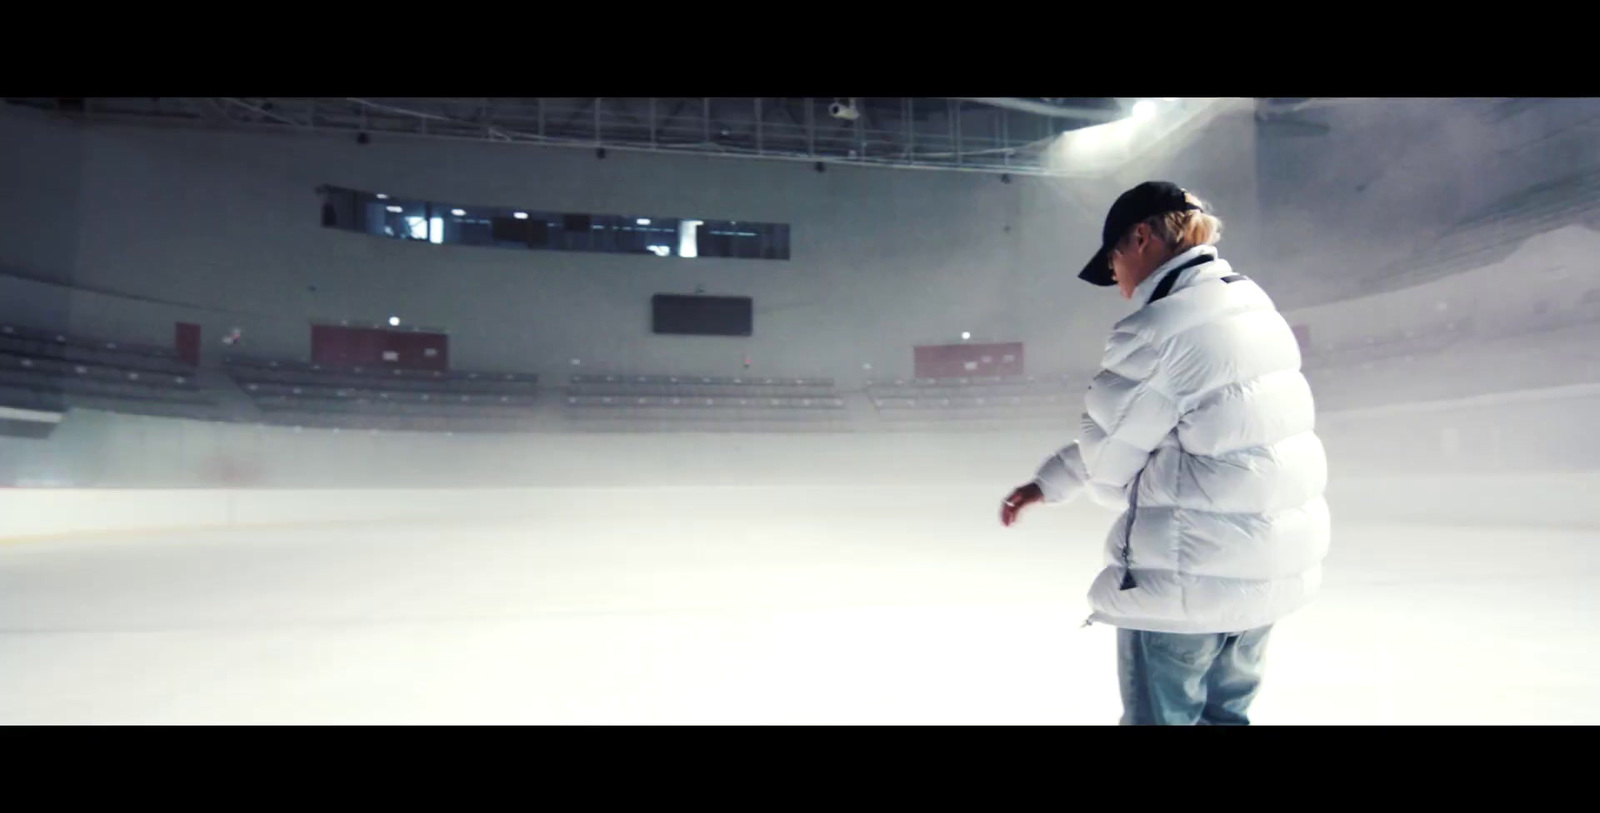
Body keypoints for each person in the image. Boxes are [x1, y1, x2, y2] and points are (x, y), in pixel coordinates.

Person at [999, 182, 1329, 725]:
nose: (1118, 284)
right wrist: (1052, 480)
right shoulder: (1251, 308)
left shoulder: (1158, 329)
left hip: (1185, 582)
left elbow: (1111, 463)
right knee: (1226, 718)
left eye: (1113, 264)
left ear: (1142, 238)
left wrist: (1073, 478)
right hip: (1263, 577)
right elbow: (1165, 427)